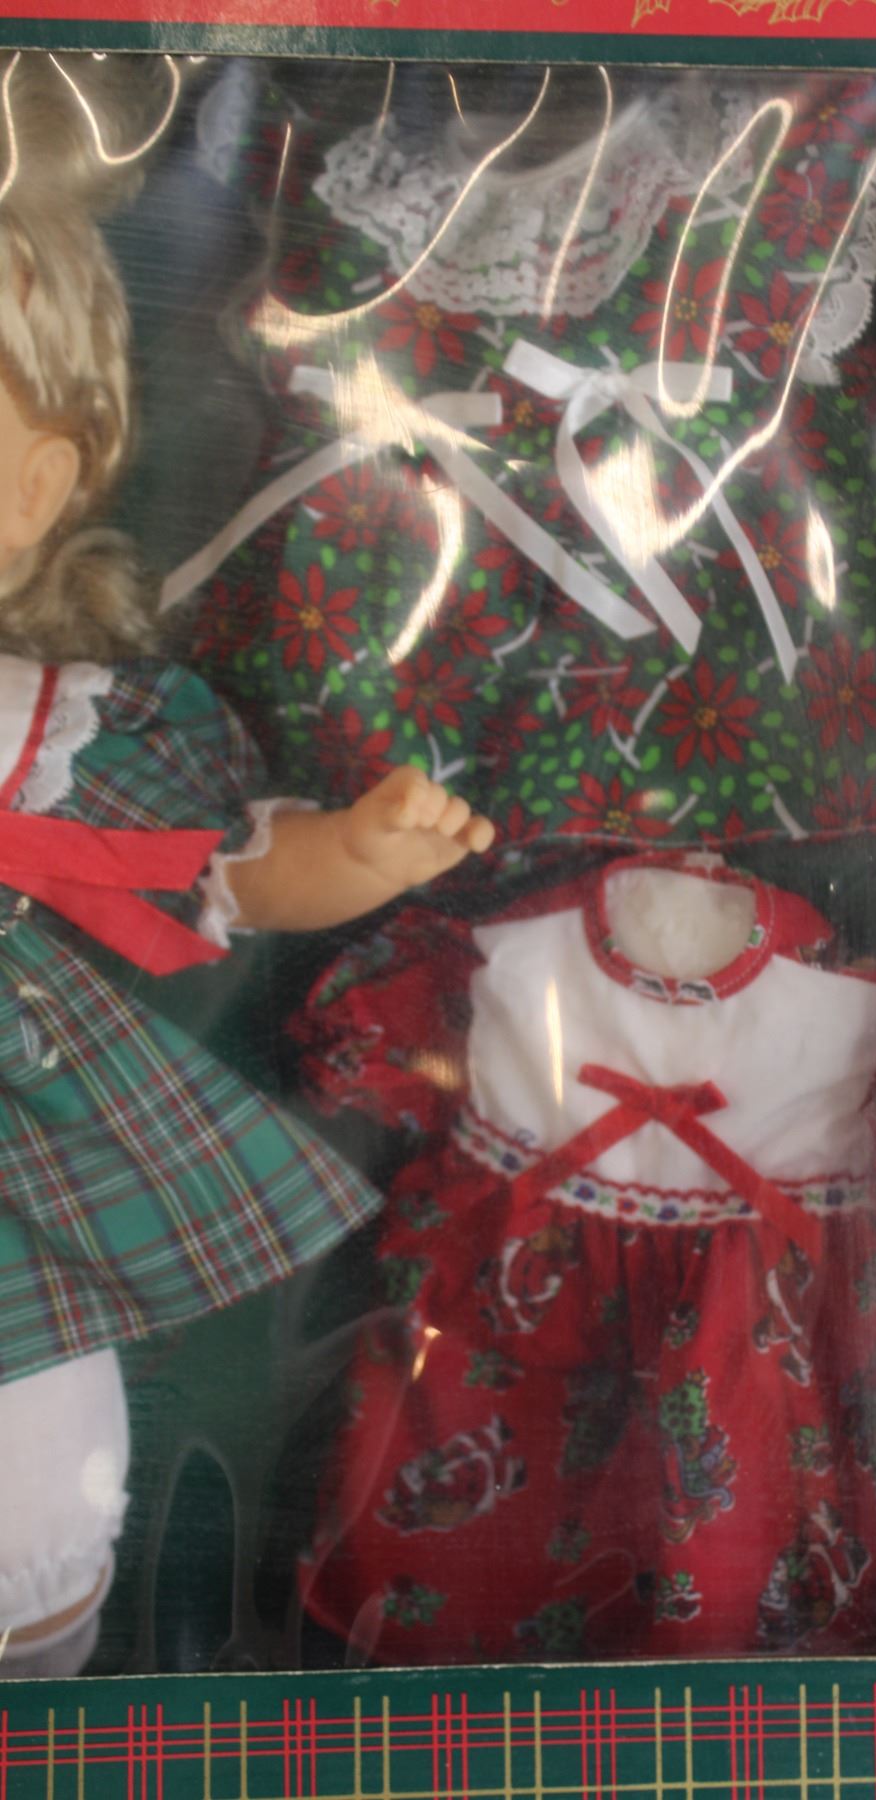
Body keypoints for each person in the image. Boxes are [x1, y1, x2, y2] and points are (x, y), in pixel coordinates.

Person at [0, 71, 493, 1678]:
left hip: (19, 1196)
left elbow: (212, 868)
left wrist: (351, 855)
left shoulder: (51, 727)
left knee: (32, 1470)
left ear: (38, 487)